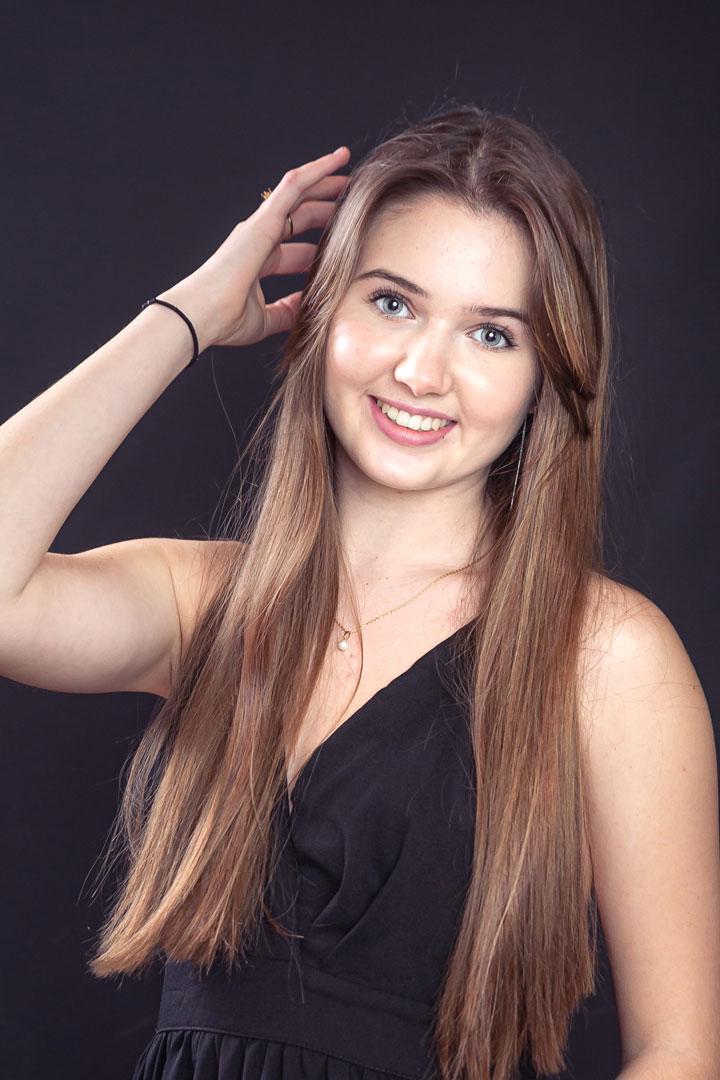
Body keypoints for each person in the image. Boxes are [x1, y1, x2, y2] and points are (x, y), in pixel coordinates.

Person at [0, 105, 717, 1080]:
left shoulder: (608, 656)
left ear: (549, 374)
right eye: (391, 303)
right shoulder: (205, 601)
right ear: (323, 309)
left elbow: (679, 1053)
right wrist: (189, 317)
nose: (423, 370)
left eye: (492, 335)